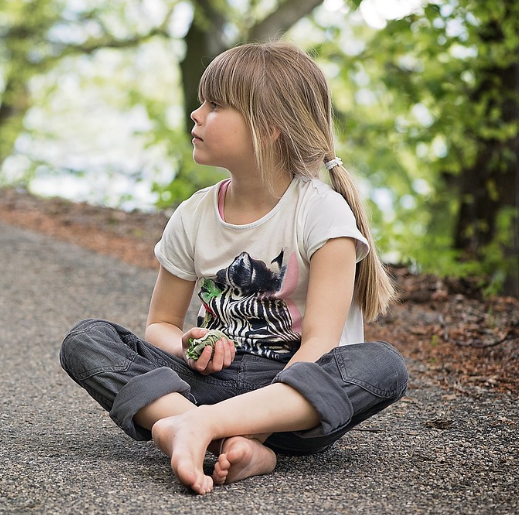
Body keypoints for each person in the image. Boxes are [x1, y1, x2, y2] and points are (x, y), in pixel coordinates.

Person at [59, 41, 407, 495]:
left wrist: (254, 428)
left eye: (216, 105)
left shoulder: (322, 215)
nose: (196, 114)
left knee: (382, 365)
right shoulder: (194, 214)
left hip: (290, 403)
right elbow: (160, 323)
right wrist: (188, 344)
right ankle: (203, 431)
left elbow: (320, 346)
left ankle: (188, 428)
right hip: (202, 384)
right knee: (87, 340)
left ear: (269, 129)